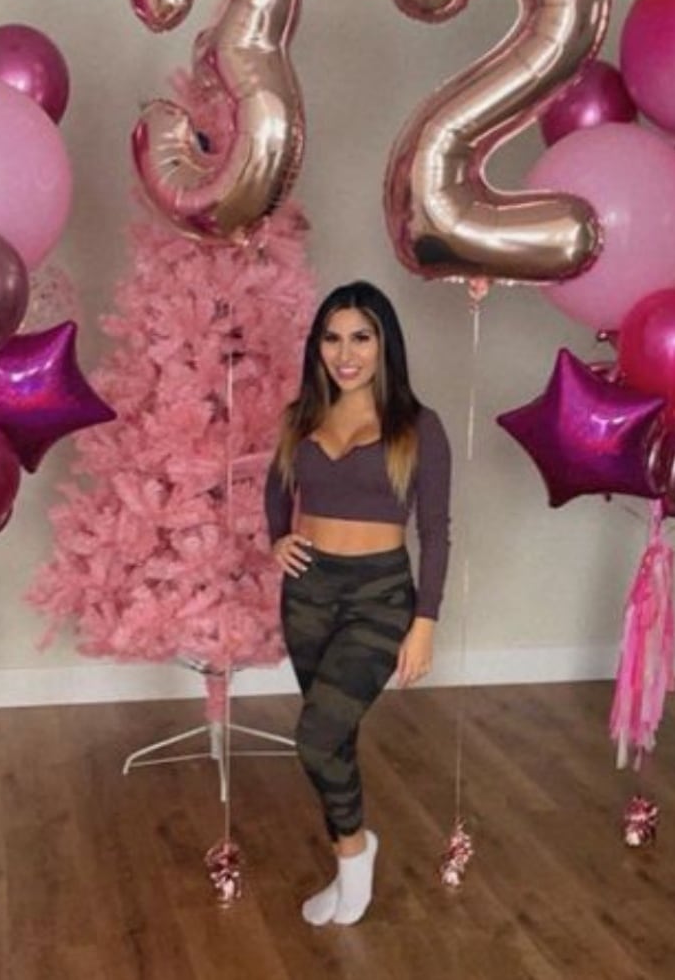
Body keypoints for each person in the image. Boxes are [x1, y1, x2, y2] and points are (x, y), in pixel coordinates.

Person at [264, 280, 451, 926]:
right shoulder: (302, 419)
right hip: (308, 592)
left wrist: (424, 623)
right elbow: (275, 494)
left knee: (315, 737)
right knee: (332, 733)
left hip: (379, 596)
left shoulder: (417, 427)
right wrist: (277, 541)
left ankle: (354, 853)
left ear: (384, 345)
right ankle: (351, 860)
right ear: (318, 346)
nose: (346, 354)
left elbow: (437, 532)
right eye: (333, 338)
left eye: (361, 338)